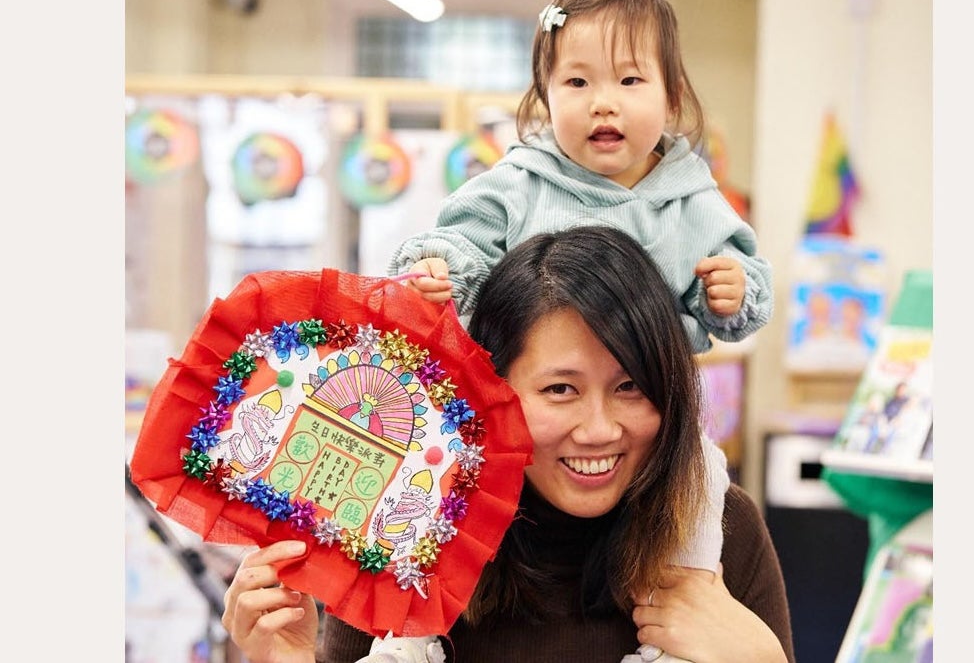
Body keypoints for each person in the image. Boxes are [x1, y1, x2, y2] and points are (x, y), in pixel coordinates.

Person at [386, 0, 773, 661]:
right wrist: (436, 269)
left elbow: (746, 281)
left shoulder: (690, 196)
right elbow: (458, 237)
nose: (604, 105)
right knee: (439, 479)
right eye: (577, 83)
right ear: (542, 98)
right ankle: (410, 635)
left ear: (673, 96)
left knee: (705, 479)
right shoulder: (521, 181)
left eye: (629, 82)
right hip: (492, 438)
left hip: (672, 440)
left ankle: (675, 621)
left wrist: (733, 289)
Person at [221, 226, 794, 663]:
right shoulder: (404, 526)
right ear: (493, 390)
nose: (598, 429)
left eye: (630, 387)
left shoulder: (720, 530)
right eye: (560, 389)